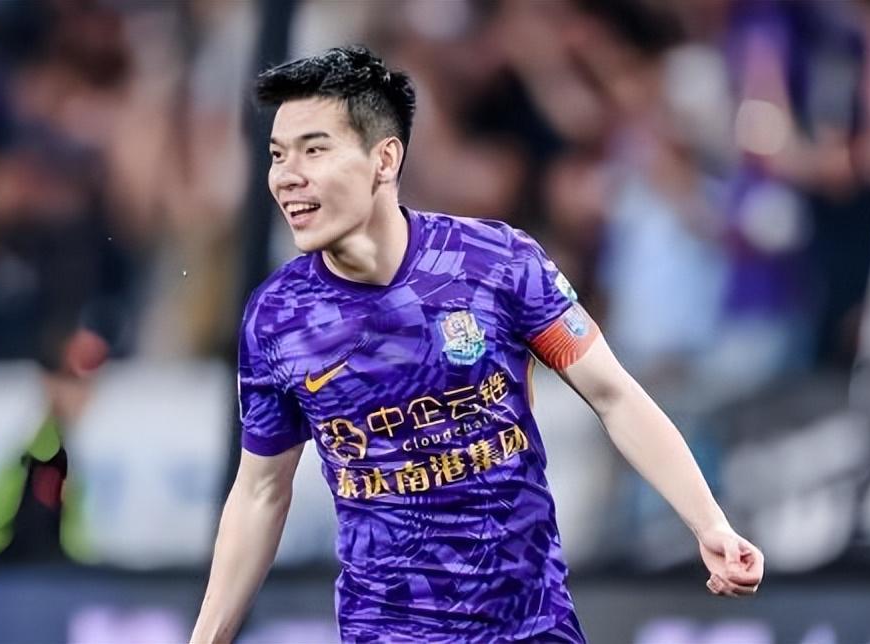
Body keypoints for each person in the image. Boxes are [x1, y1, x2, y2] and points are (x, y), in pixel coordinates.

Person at [190, 45, 763, 644]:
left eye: (314, 150)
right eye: (277, 155)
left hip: (531, 626)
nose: (286, 176)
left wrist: (710, 525)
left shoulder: (496, 263)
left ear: (384, 158)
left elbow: (613, 395)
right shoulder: (277, 317)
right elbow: (261, 490)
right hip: (389, 631)